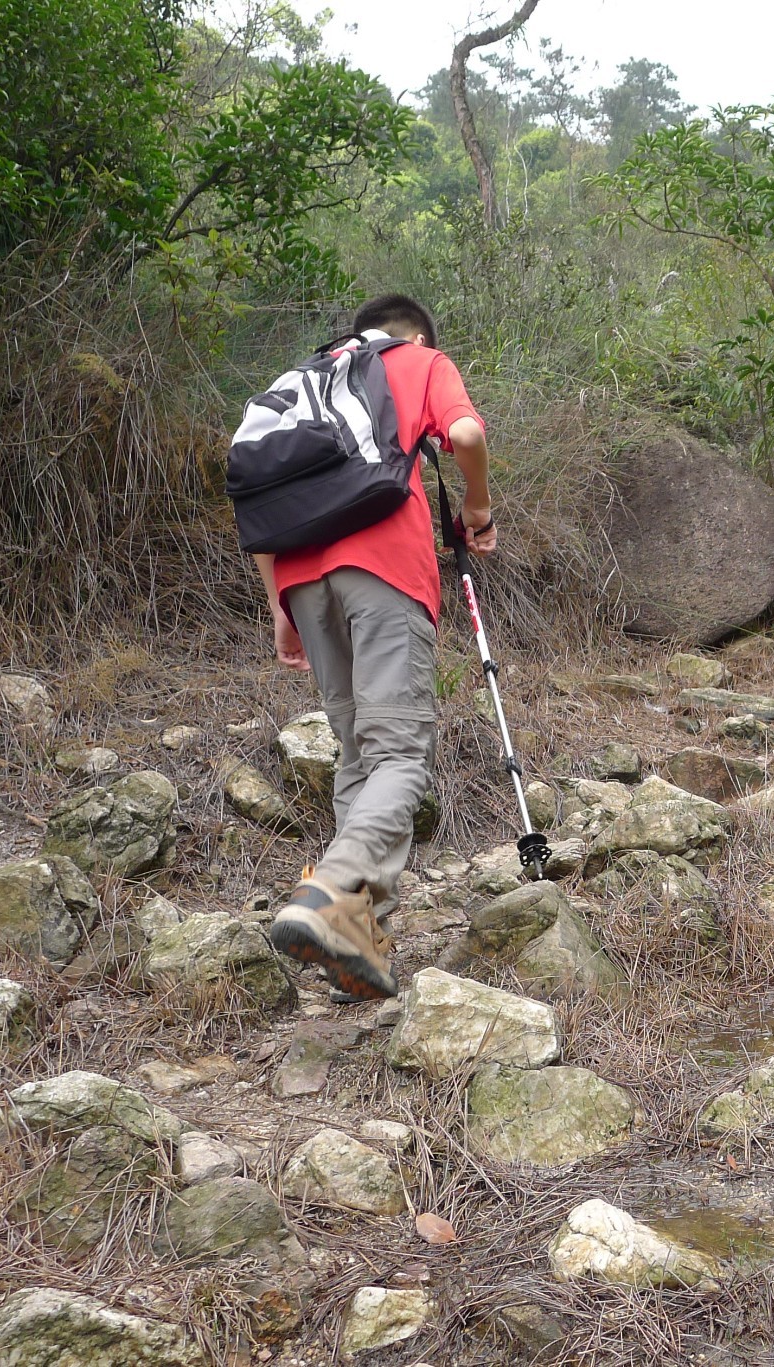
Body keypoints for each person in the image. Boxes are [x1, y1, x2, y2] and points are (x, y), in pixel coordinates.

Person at [255, 293, 496, 1001]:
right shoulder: (414, 357)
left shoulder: (303, 377)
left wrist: (279, 607)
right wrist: (477, 507)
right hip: (385, 569)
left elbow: (258, 492)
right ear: (414, 332)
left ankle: (355, 945)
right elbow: (467, 435)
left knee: (359, 753)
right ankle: (332, 888)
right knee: (400, 756)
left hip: (301, 578)